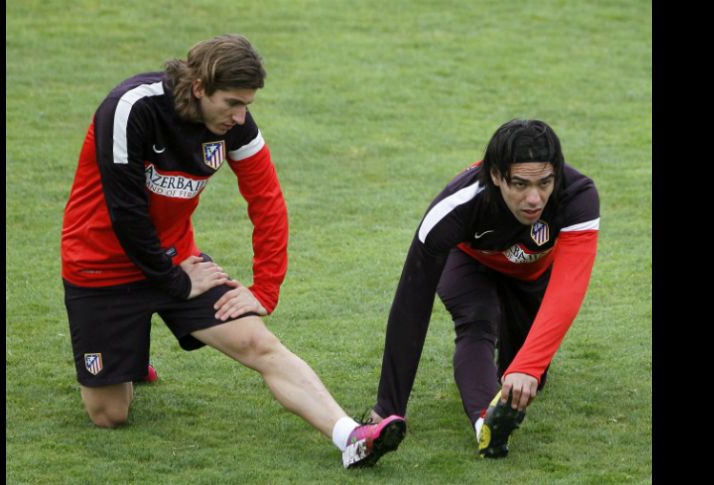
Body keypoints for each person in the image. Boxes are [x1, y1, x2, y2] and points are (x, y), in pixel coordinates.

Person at [60, 34, 405, 468]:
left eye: (247, 104)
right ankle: (129, 358)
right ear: (200, 87)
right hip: (101, 270)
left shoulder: (236, 125)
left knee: (257, 343)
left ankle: (352, 438)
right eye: (232, 103)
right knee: (110, 416)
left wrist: (265, 289)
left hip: (176, 262)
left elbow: (268, 202)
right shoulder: (131, 107)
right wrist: (174, 283)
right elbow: (125, 212)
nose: (241, 116)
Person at [368, 119, 599, 458]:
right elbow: (410, 307)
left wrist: (529, 366)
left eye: (545, 182)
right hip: (468, 264)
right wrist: (388, 407)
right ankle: (485, 425)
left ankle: (509, 379)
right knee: (478, 321)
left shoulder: (578, 195)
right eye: (519, 184)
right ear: (495, 175)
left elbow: (567, 290)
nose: (534, 198)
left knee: (521, 379)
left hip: (530, 276)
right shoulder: (454, 208)